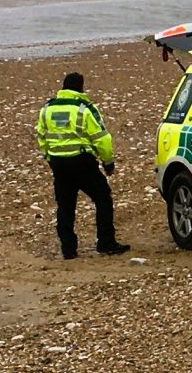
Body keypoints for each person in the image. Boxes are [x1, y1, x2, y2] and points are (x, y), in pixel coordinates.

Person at [35, 72, 127, 260]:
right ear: (81, 87)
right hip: (82, 162)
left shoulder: (47, 109)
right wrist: (108, 162)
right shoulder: (84, 109)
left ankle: (68, 249)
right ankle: (105, 242)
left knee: (65, 206)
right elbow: (102, 139)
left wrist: (49, 158)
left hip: (59, 164)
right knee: (102, 198)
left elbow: (41, 136)